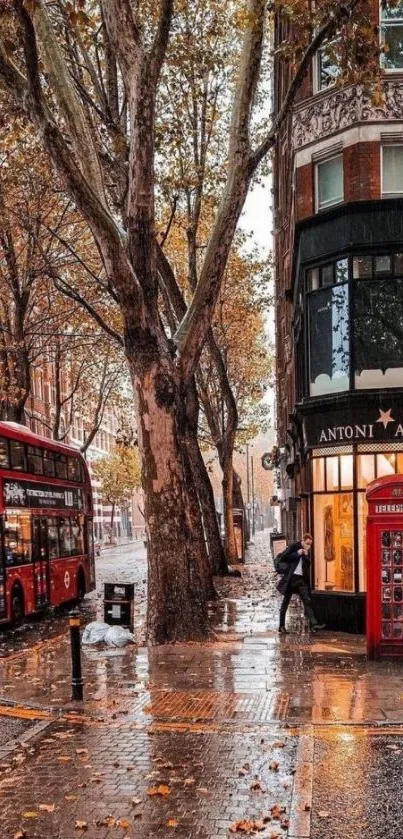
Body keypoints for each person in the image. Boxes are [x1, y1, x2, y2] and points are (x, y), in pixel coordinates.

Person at [277, 533, 326, 634]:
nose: (308, 546)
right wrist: (297, 554)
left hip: (300, 580)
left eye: (310, 545)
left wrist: (306, 557)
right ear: (302, 541)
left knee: (307, 601)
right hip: (291, 579)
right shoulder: (294, 546)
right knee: (285, 602)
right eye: (307, 544)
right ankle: (281, 626)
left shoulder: (307, 551)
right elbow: (283, 557)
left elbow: (308, 565)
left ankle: (314, 625)